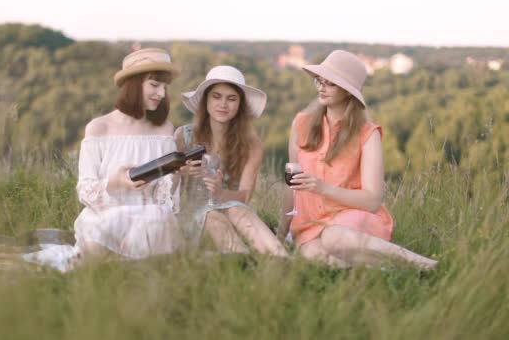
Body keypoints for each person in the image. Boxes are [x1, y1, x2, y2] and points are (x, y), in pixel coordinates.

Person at [19, 48, 184, 271]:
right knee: (104, 242)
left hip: (151, 217)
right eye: (154, 85)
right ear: (134, 84)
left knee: (155, 217)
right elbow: (85, 190)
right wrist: (115, 183)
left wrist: (177, 174)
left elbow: (166, 198)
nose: (161, 94)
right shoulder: (99, 127)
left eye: (164, 87)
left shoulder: (164, 129)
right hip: (105, 216)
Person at [277, 50, 437, 270]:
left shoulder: (367, 134)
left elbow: (372, 200)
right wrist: (281, 232)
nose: (321, 87)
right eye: (319, 81)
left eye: (330, 83)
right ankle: (384, 272)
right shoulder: (301, 124)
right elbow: (291, 186)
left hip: (352, 220)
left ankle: (423, 265)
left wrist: (323, 188)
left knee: (333, 238)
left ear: (348, 92)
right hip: (309, 224)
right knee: (311, 254)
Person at [175, 65, 287, 257]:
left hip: (232, 209)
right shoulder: (184, 136)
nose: (223, 104)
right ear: (206, 100)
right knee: (213, 216)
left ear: (240, 105)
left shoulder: (251, 145)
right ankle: (240, 260)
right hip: (191, 214)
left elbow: (244, 197)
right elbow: (167, 190)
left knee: (237, 210)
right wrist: (181, 173)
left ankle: (280, 259)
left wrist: (220, 192)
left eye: (231, 98)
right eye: (216, 96)